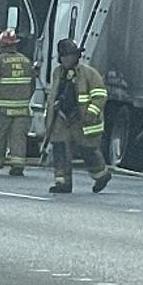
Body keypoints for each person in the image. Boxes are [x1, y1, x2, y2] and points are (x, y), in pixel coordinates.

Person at [45, 39, 111, 194]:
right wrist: (49, 118)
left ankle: (101, 175)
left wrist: (91, 113)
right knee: (59, 148)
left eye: (70, 55)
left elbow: (100, 95)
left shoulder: (89, 73)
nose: (67, 59)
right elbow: (53, 96)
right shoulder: (57, 73)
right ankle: (62, 182)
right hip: (61, 117)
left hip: (82, 119)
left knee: (87, 150)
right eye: (64, 56)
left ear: (77, 56)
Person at [0, 29, 34, 176]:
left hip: (3, 108)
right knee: (18, 137)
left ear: (2, 45)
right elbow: (33, 85)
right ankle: (17, 165)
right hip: (22, 108)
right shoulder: (26, 61)